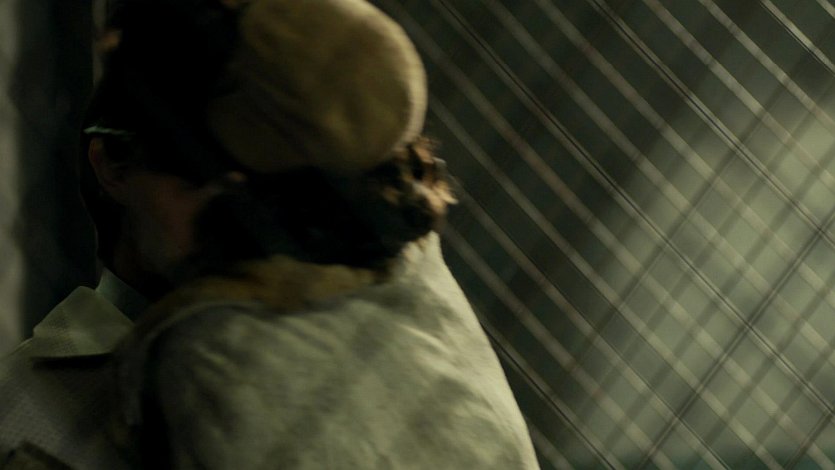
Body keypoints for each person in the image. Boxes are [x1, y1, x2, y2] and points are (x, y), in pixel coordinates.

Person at [6, 0, 542, 468]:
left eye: (282, 190)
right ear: (115, 165)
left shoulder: (402, 297)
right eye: (205, 180)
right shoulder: (27, 409)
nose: (250, 219)